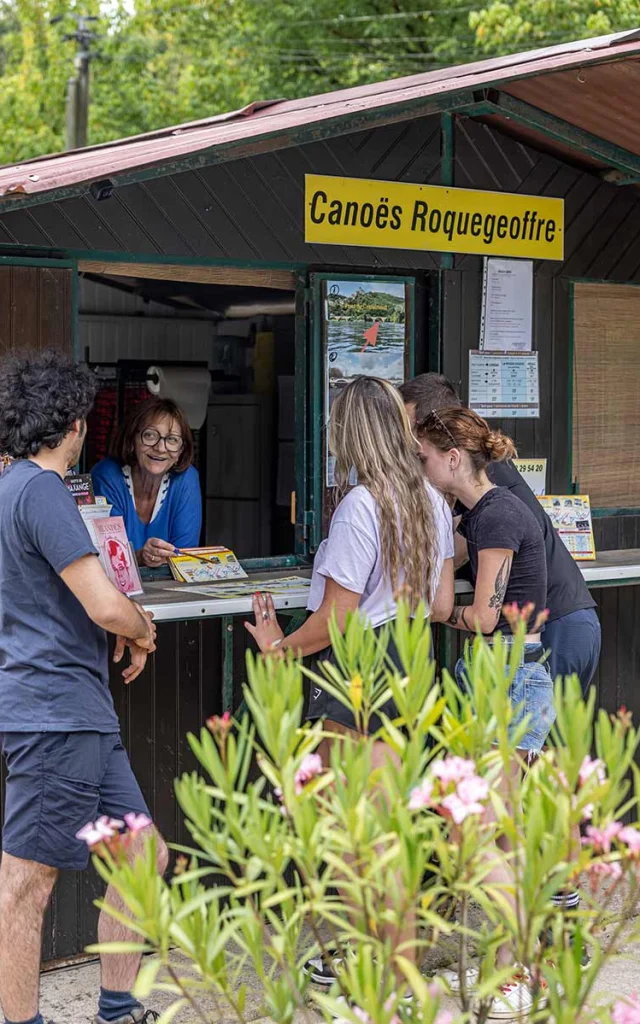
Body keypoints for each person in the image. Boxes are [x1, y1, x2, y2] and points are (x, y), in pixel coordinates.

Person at [245, 375, 455, 988]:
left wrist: (279, 647)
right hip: (413, 664)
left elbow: (336, 619)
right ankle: (398, 975)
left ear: (348, 432)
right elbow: (441, 606)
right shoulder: (431, 501)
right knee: (392, 835)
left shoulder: (362, 504)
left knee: (353, 837)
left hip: (361, 669)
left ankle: (374, 974)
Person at [0, 350, 166, 1024]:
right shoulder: (41, 489)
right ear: (73, 422)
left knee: (142, 853)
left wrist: (123, 623)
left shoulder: (11, 484)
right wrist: (142, 628)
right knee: (26, 881)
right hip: (54, 714)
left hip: (77, 712)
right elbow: (103, 603)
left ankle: (120, 1007)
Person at [415, 405, 555, 1017]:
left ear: (452, 458)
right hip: (506, 675)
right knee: (490, 829)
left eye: (422, 458)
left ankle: (522, 966)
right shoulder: (484, 512)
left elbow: (486, 616)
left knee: (478, 830)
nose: (419, 468)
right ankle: (513, 965)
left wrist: (433, 608)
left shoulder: (495, 514)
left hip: (508, 675)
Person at [399, 374, 601, 697]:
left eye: (410, 430)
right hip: (545, 628)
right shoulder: (477, 483)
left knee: (545, 746)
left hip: (557, 625)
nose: (408, 445)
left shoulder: (488, 487)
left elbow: (456, 553)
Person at [92, 398, 202, 568]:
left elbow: (184, 557)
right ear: (132, 440)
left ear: (180, 451)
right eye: (150, 435)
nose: (160, 448)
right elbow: (108, 558)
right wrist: (140, 557)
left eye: (172, 440)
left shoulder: (187, 480)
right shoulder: (107, 476)